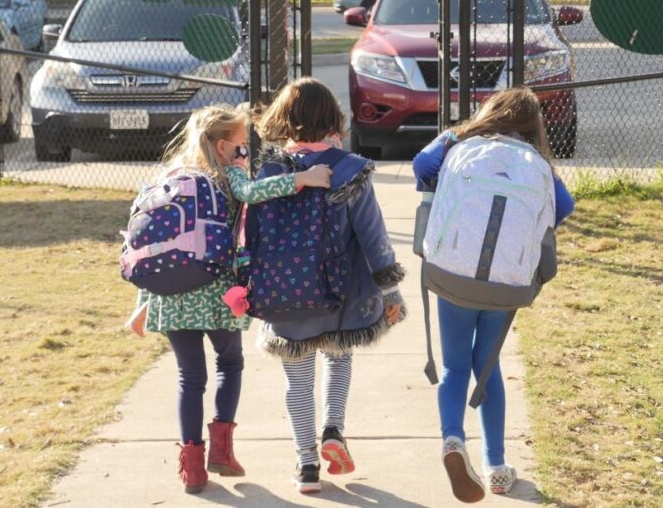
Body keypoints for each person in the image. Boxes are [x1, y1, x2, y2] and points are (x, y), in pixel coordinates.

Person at [131, 104, 333, 494]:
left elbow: (149, 241)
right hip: (216, 290)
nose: (245, 154)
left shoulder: (170, 175)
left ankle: (192, 467)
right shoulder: (228, 174)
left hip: (171, 296)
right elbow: (252, 193)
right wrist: (303, 179)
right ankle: (221, 451)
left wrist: (143, 299)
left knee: (189, 378)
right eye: (241, 147)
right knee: (229, 363)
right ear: (223, 147)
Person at [412, 88, 575, 502]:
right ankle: (497, 466)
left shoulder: (464, 146)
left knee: (454, 368)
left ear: (490, 114)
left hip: (453, 273)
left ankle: (452, 441)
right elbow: (565, 205)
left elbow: (422, 164)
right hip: (507, 282)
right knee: (488, 367)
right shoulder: (536, 164)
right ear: (532, 126)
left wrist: (455, 133)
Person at [251, 78, 407, 494]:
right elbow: (374, 238)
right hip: (342, 294)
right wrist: (391, 292)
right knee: (338, 359)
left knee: (296, 379)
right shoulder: (349, 169)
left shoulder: (268, 173)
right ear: (333, 119)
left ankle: (305, 466)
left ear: (283, 119)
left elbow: (249, 236)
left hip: (286, 295)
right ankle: (333, 429)